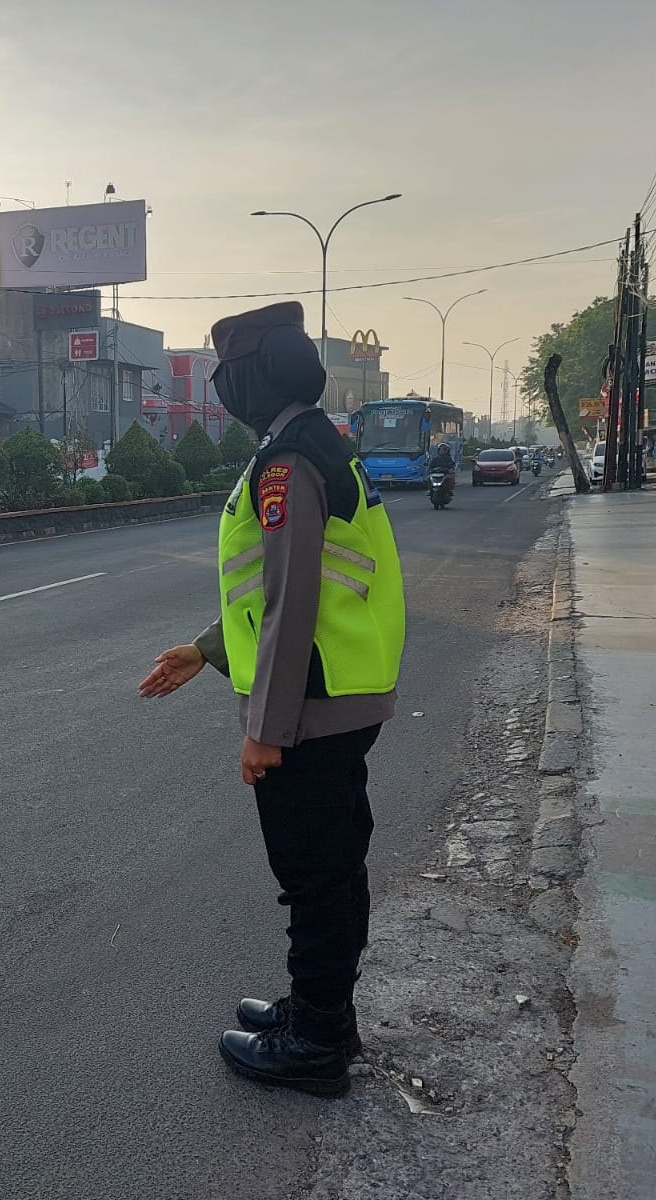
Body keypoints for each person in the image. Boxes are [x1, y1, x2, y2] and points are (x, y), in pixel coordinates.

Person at [138, 301, 405, 1097]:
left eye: (226, 375)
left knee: (313, 877)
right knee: (334, 867)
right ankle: (323, 1011)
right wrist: (207, 649)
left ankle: (314, 1043)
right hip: (341, 692)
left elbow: (292, 605)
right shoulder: (320, 443)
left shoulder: (288, 463)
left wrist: (267, 730)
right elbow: (287, 586)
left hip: (310, 704)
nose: (221, 391)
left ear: (250, 378)